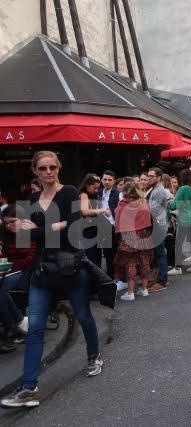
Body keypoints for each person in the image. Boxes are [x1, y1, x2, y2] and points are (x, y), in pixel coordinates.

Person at [1, 152, 103, 409]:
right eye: (42, 168)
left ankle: (94, 355)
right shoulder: (32, 199)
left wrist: (41, 230)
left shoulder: (69, 192)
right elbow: (25, 237)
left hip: (70, 267)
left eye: (52, 167)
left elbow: (74, 228)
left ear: (59, 168)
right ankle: (29, 388)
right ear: (35, 171)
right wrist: (56, 226)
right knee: (35, 327)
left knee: (83, 315)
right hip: (42, 270)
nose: (48, 172)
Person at [114, 181, 154, 301]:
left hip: (129, 236)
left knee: (130, 263)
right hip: (144, 235)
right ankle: (144, 290)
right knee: (144, 262)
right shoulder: (143, 203)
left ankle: (130, 293)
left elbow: (117, 217)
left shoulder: (123, 205)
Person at [0, 205, 33, 351]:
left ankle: (12, 326)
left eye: (12, 221)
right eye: (6, 223)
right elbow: (5, 257)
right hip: (9, 272)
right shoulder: (6, 234)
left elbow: (30, 259)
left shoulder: (31, 231)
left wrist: (10, 267)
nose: (9, 225)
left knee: (1, 289)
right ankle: (16, 323)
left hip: (27, 273)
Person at [168, 169, 191, 274]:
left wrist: (170, 203)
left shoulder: (183, 189)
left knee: (178, 243)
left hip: (184, 219)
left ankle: (177, 268)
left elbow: (174, 205)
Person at [78, 174, 110, 267]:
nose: (96, 190)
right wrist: (101, 211)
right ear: (87, 185)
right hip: (87, 229)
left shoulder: (92, 195)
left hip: (94, 228)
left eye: (97, 188)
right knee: (92, 256)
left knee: (97, 255)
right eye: (94, 188)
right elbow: (85, 211)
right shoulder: (83, 195)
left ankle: (97, 274)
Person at [146, 167, 169, 293]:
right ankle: (158, 279)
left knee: (160, 253)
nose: (149, 178)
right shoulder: (154, 189)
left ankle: (162, 281)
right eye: (148, 176)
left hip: (158, 225)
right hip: (156, 224)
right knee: (157, 254)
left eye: (152, 176)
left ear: (159, 177)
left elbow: (151, 210)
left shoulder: (159, 191)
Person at [98, 170, 119, 277]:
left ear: (113, 181)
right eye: (105, 179)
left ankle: (118, 276)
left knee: (116, 252)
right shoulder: (99, 192)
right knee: (107, 253)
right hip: (102, 226)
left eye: (109, 180)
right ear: (102, 180)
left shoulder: (118, 193)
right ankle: (110, 276)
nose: (107, 182)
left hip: (114, 226)